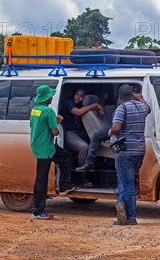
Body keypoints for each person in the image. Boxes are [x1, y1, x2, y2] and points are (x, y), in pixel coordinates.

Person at [30, 85, 77, 220]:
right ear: (47, 98)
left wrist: (53, 122)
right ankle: (38, 211)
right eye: (50, 96)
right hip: (46, 147)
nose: (52, 98)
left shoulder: (35, 110)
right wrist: (57, 123)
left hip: (38, 145)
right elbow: (55, 132)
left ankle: (64, 186)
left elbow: (39, 125)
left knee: (63, 157)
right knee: (41, 179)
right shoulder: (48, 111)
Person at [109, 84, 150, 226]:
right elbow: (148, 108)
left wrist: (110, 132)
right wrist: (141, 98)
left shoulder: (122, 108)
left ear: (120, 97)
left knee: (128, 184)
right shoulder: (142, 106)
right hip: (140, 151)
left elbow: (116, 127)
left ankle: (131, 217)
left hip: (125, 151)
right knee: (126, 179)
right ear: (132, 94)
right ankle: (120, 203)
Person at [61, 89, 104, 167]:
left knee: (96, 142)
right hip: (70, 133)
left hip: (80, 132)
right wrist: (95, 105)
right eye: (77, 95)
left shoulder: (84, 105)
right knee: (84, 147)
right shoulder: (69, 103)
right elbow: (78, 112)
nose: (77, 98)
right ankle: (82, 174)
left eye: (81, 96)